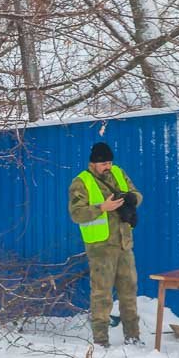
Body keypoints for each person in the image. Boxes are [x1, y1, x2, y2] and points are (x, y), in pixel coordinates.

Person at [68, 142, 143, 347]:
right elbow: (76, 214)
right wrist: (103, 207)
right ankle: (101, 341)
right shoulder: (81, 181)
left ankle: (133, 337)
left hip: (124, 243)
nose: (107, 166)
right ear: (92, 164)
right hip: (101, 247)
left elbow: (138, 194)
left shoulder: (118, 173)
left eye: (109, 162)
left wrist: (130, 199)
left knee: (129, 292)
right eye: (103, 163)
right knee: (102, 295)